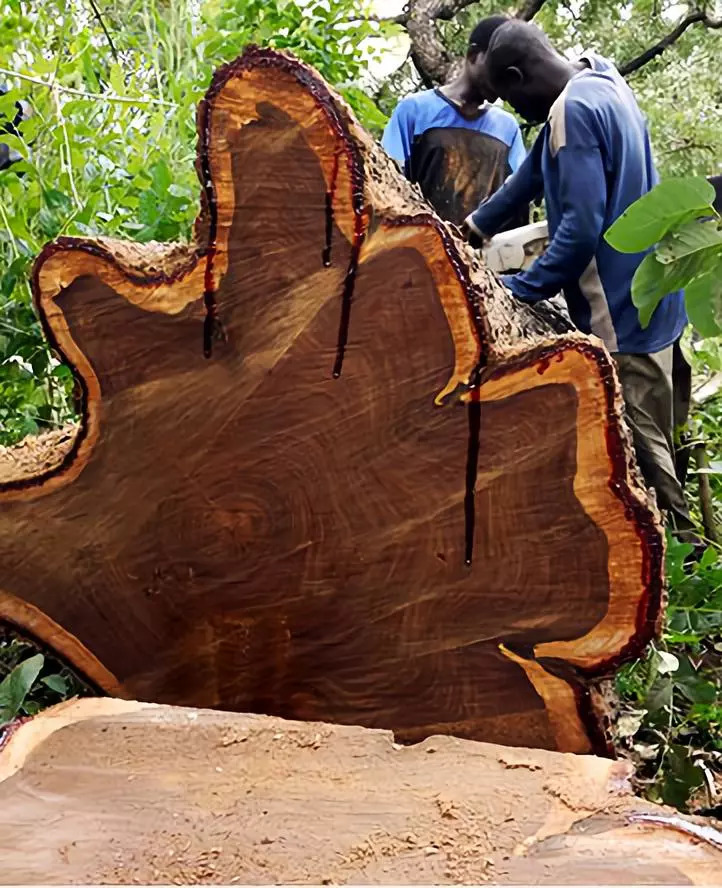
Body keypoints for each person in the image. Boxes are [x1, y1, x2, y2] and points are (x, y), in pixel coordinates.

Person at [463, 20, 693, 535]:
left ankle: (688, 573)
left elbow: (579, 231)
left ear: (519, 76)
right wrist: (473, 229)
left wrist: (517, 293)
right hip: (660, 299)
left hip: (621, 321)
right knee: (673, 445)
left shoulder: (572, 111)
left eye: (512, 100)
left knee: (645, 469)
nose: (520, 116)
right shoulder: (602, 79)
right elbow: (533, 175)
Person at [381, 15, 527, 228]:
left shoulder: (507, 129)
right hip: (418, 250)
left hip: (483, 257)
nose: (502, 80)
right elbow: (388, 184)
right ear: (473, 56)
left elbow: (517, 199)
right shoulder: (415, 111)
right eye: (498, 67)